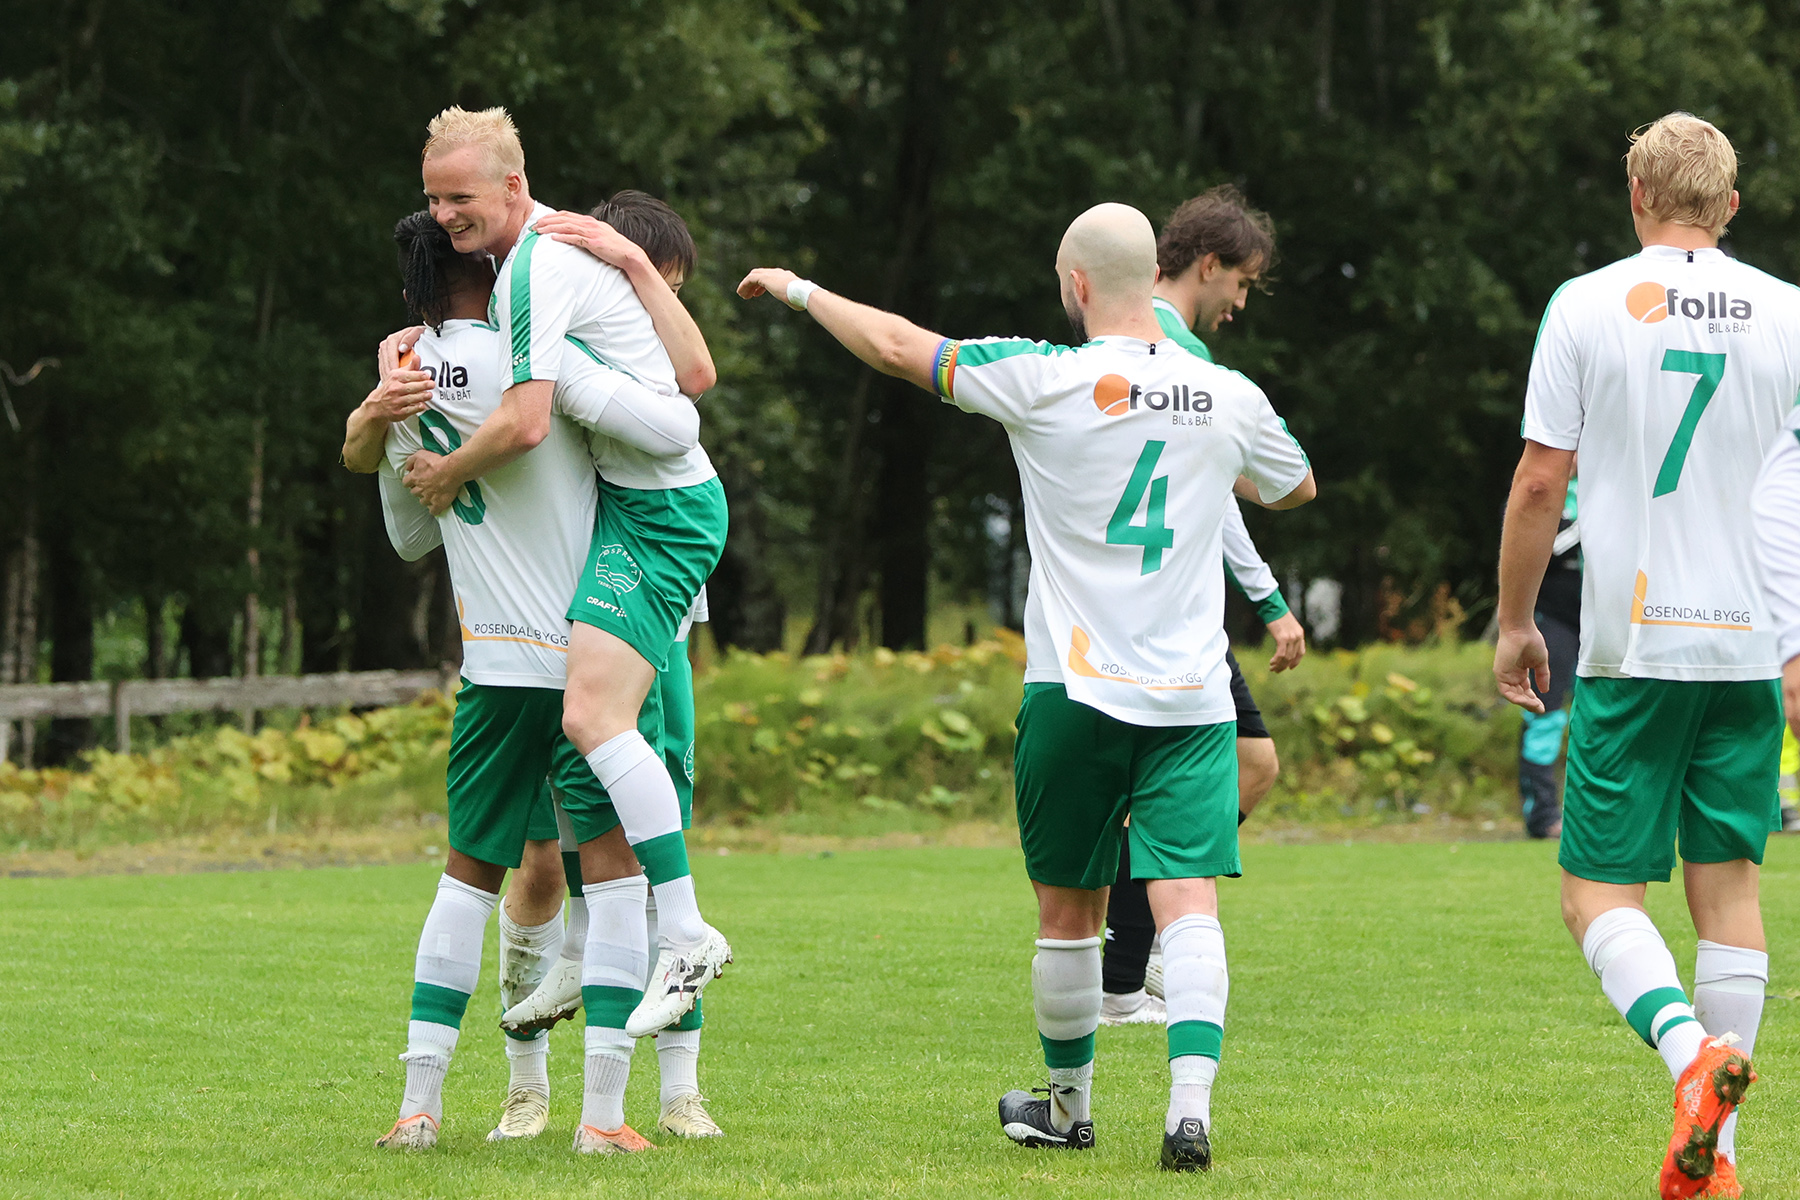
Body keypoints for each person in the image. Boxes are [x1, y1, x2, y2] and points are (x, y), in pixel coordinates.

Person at [737, 201, 1315, 1171]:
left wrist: (800, 290)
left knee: (1067, 913)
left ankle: (1067, 1109)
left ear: (1077, 285)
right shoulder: (1228, 395)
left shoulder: (1041, 376)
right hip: (1191, 700)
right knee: (1189, 901)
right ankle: (1189, 1115)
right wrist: (1209, 463)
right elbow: (1294, 484)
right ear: (1153, 276)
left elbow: (896, 346)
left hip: (1071, 693)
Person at [394, 108, 732, 1151]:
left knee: (560, 833)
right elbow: (665, 399)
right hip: (609, 579)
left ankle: (646, 1054)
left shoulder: (523, 285)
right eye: (433, 199)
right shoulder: (512, 296)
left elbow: (671, 405)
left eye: (459, 197)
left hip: (628, 560)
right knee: (593, 845)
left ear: (512, 186)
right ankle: (598, 1093)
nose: (443, 214)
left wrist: (419, 441)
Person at [1494, 112, 1795, 1200]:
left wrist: (1516, 620)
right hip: (1749, 646)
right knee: (1730, 894)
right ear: (1731, 206)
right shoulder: (1791, 312)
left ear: (1635, 195)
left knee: (1594, 895)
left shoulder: (1585, 304)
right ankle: (1722, 1163)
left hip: (1634, 644)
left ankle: (1690, 1058)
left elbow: (1542, 480)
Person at [1102, 185, 1308, 1026]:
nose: (1241, 305)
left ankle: (1128, 952)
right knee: (1206, 787)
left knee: (1253, 765)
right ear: (1210, 264)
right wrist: (1271, 601)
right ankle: (1124, 972)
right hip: (1170, 612)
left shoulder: (1120, 333)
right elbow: (1241, 492)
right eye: (1242, 284)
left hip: (1125, 605)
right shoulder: (1182, 353)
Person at [1515, 476, 1579, 840]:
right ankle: (1541, 815)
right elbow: (1544, 549)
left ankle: (1600, 813)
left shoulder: (1611, 480)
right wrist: (1591, 522)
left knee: (1606, 716)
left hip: (1607, 621)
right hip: (1552, 621)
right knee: (1545, 717)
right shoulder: (1538, 486)